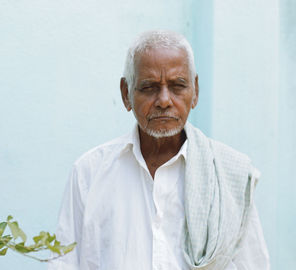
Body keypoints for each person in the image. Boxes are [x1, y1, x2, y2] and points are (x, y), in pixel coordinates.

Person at [48, 30, 270, 270]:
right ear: (126, 94)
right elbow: (64, 263)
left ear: (194, 91)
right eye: (149, 87)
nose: (164, 100)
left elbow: (253, 264)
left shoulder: (228, 175)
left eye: (177, 86)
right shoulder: (89, 173)